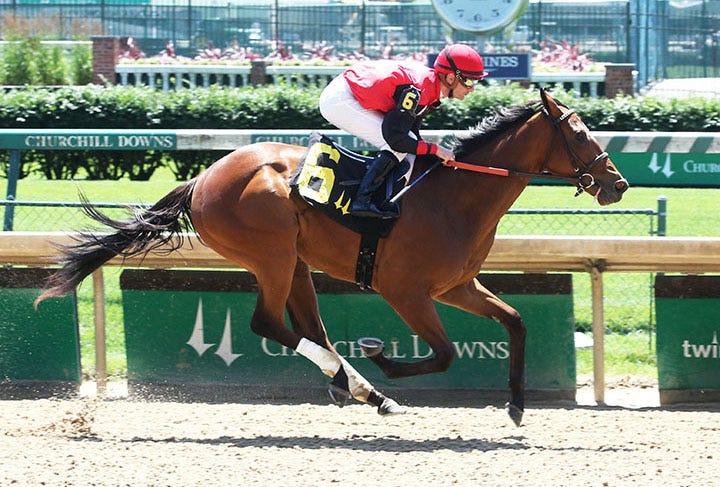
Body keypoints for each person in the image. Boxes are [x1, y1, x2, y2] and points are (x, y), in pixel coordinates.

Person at [319, 43, 488, 218]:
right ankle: (362, 201)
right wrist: (435, 149)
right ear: (451, 78)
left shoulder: (429, 87)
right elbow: (397, 140)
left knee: (409, 145)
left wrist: (432, 154)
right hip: (340, 100)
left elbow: (412, 134)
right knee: (396, 147)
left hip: (349, 89)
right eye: (469, 81)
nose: (471, 89)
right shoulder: (419, 91)